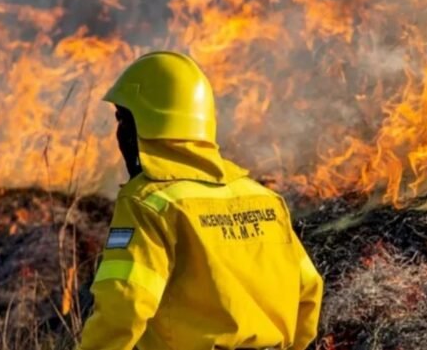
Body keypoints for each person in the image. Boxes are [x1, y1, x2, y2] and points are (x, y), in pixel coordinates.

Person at [78, 51, 323, 350]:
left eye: (122, 119)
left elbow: (125, 304)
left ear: (145, 125)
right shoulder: (265, 200)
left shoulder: (150, 204)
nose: (119, 133)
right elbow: (309, 290)